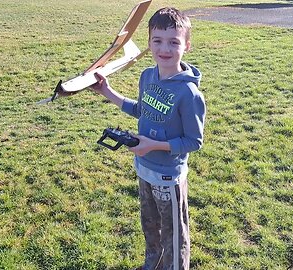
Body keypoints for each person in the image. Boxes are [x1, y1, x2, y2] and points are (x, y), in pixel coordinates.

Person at [91, 7, 206, 270]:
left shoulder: (189, 94)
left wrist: (154, 145)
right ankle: (152, 265)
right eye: (157, 41)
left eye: (173, 42)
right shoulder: (147, 76)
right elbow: (142, 110)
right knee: (150, 228)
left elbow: (193, 141)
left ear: (186, 45)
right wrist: (107, 91)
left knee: (173, 235)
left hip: (168, 178)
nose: (164, 49)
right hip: (144, 170)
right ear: (149, 43)